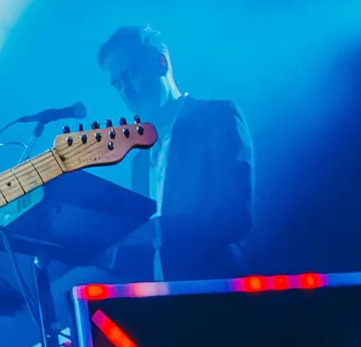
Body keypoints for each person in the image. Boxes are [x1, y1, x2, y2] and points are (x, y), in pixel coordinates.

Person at [97, 25, 254, 280]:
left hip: (220, 291)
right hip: (164, 297)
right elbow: (147, 251)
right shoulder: (139, 159)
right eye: (117, 84)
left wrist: (157, 230)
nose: (127, 92)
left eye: (132, 74)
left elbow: (236, 219)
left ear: (161, 63)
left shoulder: (218, 117)